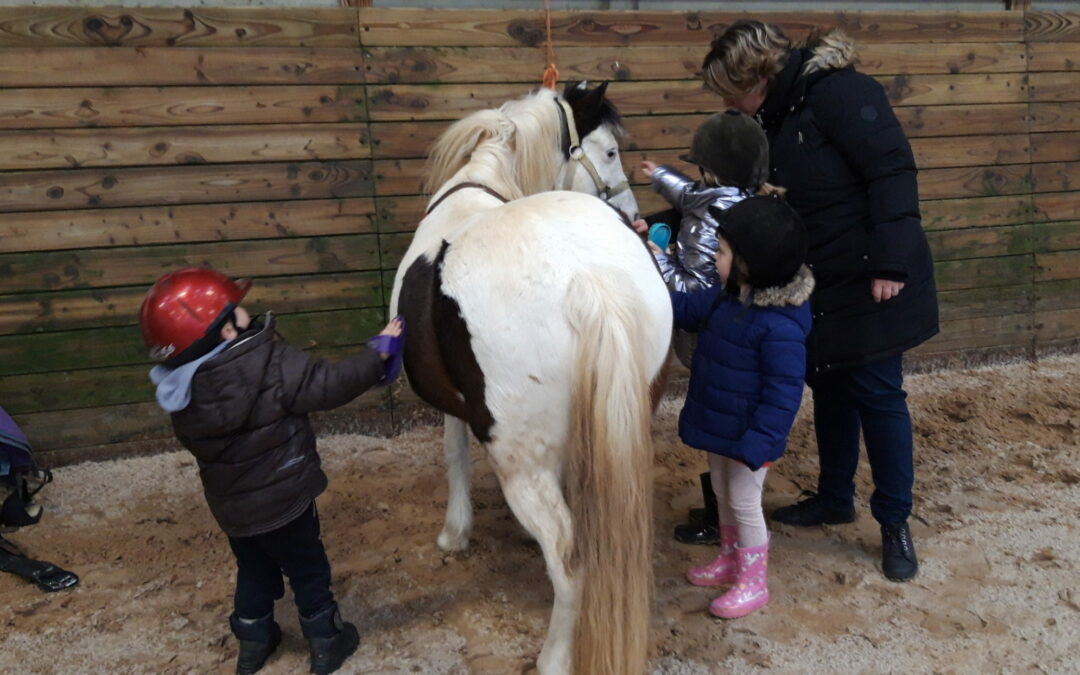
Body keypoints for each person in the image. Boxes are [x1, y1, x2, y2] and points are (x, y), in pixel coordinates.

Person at [700, 20, 940, 581]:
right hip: (819, 278)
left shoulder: (842, 94)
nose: (728, 103)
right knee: (829, 383)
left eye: (731, 89)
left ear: (758, 74)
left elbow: (891, 171)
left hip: (870, 275)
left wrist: (890, 261)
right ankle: (834, 497)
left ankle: (893, 523)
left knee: (878, 396)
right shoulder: (772, 117)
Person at [139, 267, 404, 675]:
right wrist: (378, 355)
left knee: (254, 569)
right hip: (287, 498)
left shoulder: (180, 392)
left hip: (234, 511)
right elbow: (330, 383)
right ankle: (326, 639)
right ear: (226, 331)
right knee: (307, 567)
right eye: (237, 309)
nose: (246, 311)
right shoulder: (269, 361)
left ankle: (253, 641)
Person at [665, 195, 812, 618]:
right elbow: (684, 308)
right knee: (723, 494)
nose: (715, 256)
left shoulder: (780, 326)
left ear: (752, 263)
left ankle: (753, 581)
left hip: (750, 439)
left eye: (723, 251)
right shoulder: (724, 297)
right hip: (720, 427)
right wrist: (649, 291)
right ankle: (730, 556)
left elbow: (784, 394)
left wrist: (760, 445)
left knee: (745, 502)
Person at [632, 109, 774, 547]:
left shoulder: (711, 201)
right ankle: (723, 517)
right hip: (724, 327)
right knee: (725, 422)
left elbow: (685, 289)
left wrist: (653, 251)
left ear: (712, 170)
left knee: (726, 425)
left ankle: (726, 524)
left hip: (702, 325)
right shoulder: (749, 200)